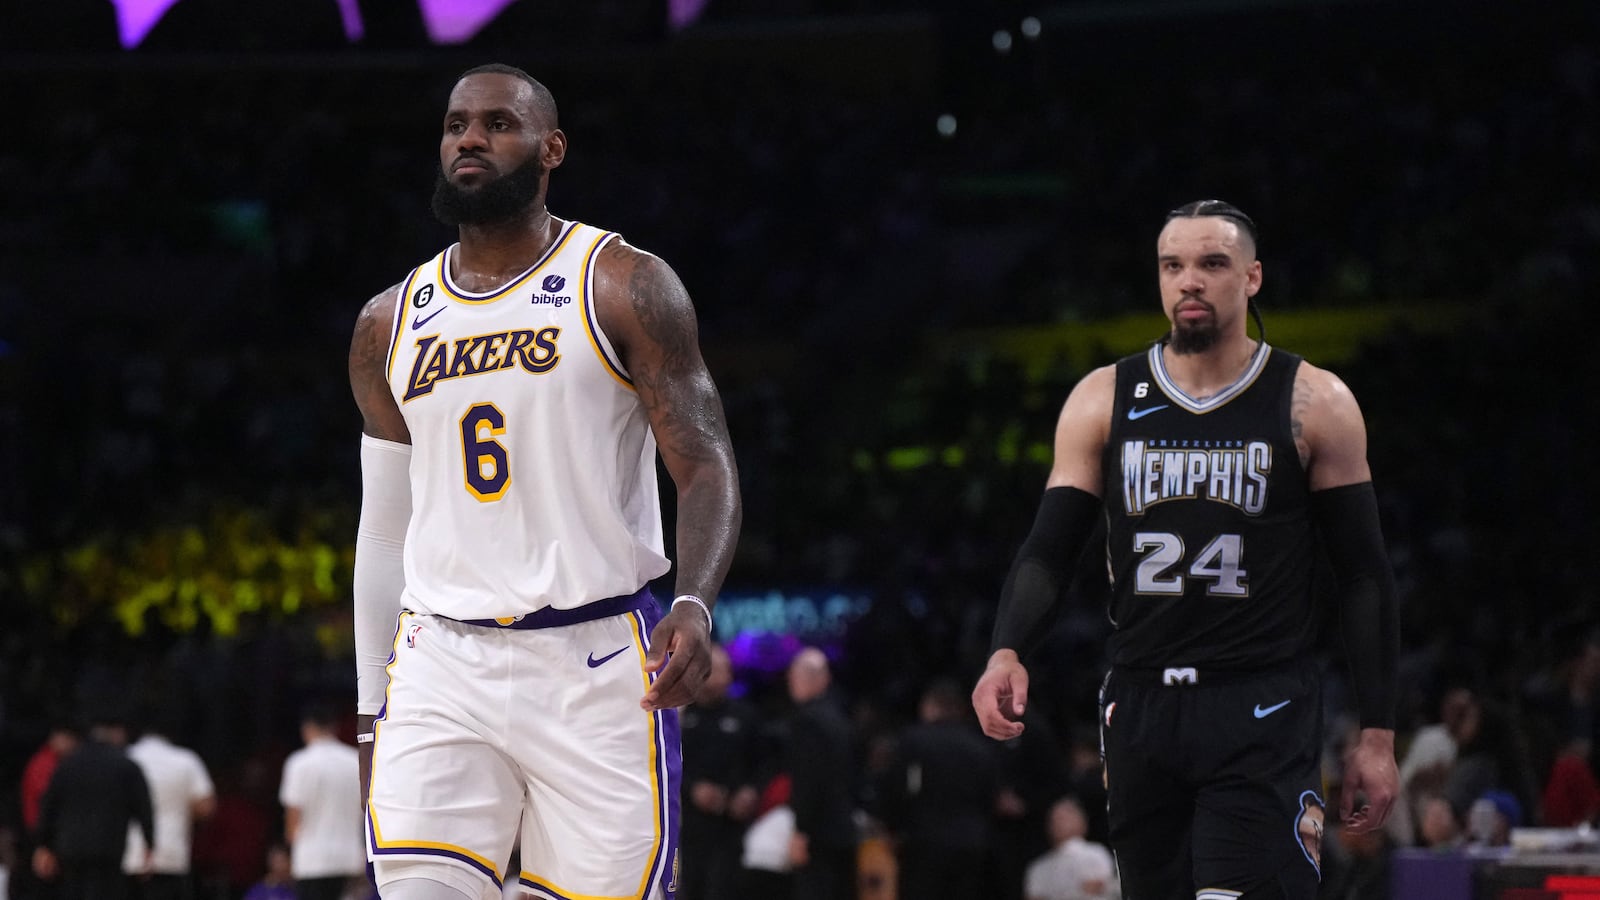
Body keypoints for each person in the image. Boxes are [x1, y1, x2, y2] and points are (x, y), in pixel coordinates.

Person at [348, 63, 741, 900]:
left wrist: (696, 603)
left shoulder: (622, 283)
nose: (471, 141)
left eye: (498, 124)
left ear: (551, 148)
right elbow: (384, 529)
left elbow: (704, 464)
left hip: (594, 659)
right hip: (440, 660)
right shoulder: (390, 321)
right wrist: (368, 711)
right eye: (457, 125)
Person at [972, 200, 1401, 899]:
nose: (1189, 281)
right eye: (1173, 265)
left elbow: (1364, 575)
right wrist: (1006, 647)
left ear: (1252, 277)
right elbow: (1049, 550)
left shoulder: (1314, 400)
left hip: (1262, 702)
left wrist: (1378, 733)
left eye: (1211, 264)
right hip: (1142, 704)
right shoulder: (1103, 397)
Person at [878, 678, 997, 900]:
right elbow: (990, 796)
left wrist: (892, 827)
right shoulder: (980, 747)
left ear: (929, 706)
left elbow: (897, 788)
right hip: (971, 843)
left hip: (924, 842)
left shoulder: (914, 740)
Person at [33, 711, 154, 900]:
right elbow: (143, 807)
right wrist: (149, 843)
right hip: (109, 848)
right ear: (117, 732)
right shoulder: (126, 766)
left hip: (70, 848)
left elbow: (49, 806)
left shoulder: (67, 765)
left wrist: (43, 844)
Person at [678, 644, 763, 900]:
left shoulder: (747, 716)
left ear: (729, 675)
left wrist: (751, 791)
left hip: (733, 826)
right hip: (690, 826)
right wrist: (692, 789)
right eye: (701, 671)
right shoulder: (680, 717)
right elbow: (666, 765)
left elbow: (764, 764)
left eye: (713, 670)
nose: (706, 677)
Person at [781, 647, 856, 900]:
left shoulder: (807, 721)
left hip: (818, 834)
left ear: (817, 679)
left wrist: (801, 831)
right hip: (844, 828)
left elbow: (809, 780)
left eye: (795, 675)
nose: (791, 682)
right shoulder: (841, 718)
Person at [122, 712, 216, 900]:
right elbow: (206, 807)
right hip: (171, 852)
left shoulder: (125, 758)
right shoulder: (186, 760)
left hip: (129, 854)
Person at [278, 704, 365, 900]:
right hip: (350, 858)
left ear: (307, 729)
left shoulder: (299, 763)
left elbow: (293, 817)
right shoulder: (354, 760)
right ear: (334, 728)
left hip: (312, 860)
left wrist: (291, 849)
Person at [1023, 797, 1118, 900]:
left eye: (1065, 818)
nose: (1059, 824)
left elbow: (1102, 887)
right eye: (1055, 820)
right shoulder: (1038, 868)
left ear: (1081, 821)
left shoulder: (1096, 853)